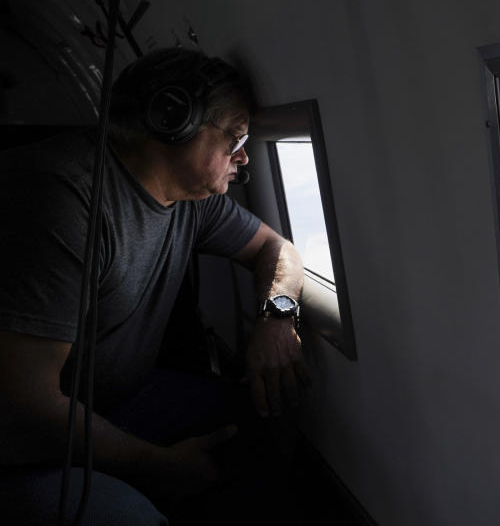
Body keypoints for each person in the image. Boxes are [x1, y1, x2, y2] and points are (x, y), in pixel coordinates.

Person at [0, 48, 311, 524]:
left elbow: (279, 249)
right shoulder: (67, 200)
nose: (244, 156)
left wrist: (277, 316)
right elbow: (25, 404)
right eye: (235, 135)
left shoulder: (192, 199)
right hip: (28, 448)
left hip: (118, 403)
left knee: (256, 422)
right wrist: (158, 466)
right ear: (172, 120)